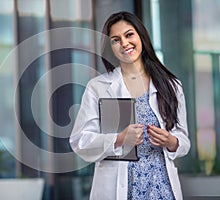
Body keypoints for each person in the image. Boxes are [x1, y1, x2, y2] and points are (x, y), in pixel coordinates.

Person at [69, 11, 190, 200]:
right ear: (110, 47)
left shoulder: (171, 85)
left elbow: (183, 139)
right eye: (115, 40)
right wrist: (118, 139)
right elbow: (80, 141)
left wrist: (171, 142)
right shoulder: (98, 87)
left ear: (141, 36)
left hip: (161, 188)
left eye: (129, 34)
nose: (124, 43)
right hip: (120, 188)